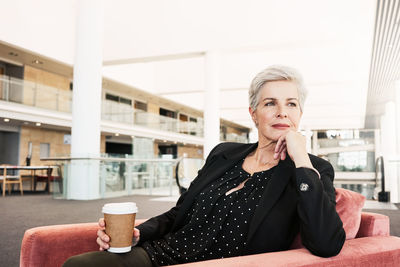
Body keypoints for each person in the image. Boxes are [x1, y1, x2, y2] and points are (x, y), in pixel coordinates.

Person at [63, 65, 345, 267]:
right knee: (78, 264)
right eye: (270, 103)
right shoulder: (224, 154)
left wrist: (302, 159)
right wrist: (140, 233)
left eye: (291, 104)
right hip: (162, 254)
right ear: (253, 114)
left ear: (300, 113)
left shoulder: (312, 170)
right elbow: (178, 214)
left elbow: (326, 243)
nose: (282, 111)